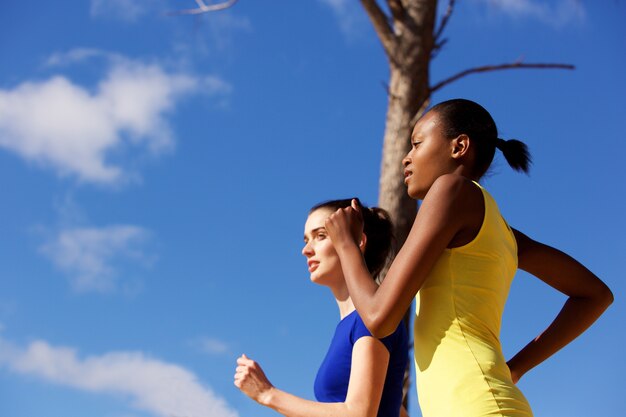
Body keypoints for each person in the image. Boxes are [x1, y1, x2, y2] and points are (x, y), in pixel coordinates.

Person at [324, 99, 614, 417]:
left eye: (417, 144)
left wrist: (347, 245)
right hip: (482, 400)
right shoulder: (502, 233)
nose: (406, 158)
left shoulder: (451, 189)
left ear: (459, 146)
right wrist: (513, 370)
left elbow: (379, 319)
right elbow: (595, 295)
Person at [234, 199, 409, 417]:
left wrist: (267, 394)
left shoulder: (368, 318)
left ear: (358, 241)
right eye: (306, 240)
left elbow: (360, 413)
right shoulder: (353, 322)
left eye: (320, 236)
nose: (306, 250)